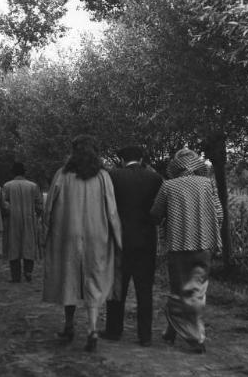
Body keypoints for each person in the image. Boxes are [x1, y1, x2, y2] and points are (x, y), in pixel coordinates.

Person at [42, 135, 122, 353]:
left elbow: (48, 209)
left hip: (67, 235)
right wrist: (119, 240)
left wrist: (45, 236)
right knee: (93, 280)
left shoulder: (62, 174)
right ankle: (92, 329)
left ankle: (69, 326)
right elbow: (112, 211)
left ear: (73, 152)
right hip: (98, 236)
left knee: (70, 278)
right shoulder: (103, 176)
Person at [150, 148, 223, 353]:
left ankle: (196, 337)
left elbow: (156, 214)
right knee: (197, 290)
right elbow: (219, 214)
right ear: (196, 165)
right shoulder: (207, 183)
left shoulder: (169, 186)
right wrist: (210, 233)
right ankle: (172, 331)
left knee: (178, 290)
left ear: (175, 166)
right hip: (204, 245)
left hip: (179, 246)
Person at [101, 145, 163, 347]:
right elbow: (159, 210)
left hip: (119, 239)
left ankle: (113, 330)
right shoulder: (155, 178)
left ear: (121, 159)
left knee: (118, 286)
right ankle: (145, 336)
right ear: (142, 158)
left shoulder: (112, 176)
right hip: (146, 239)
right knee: (144, 289)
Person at [3, 162, 43, 283]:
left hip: (12, 220)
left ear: (13, 172)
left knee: (13, 246)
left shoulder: (7, 186)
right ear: (24, 172)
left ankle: (16, 276)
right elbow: (39, 204)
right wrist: (38, 214)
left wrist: (8, 211)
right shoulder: (33, 186)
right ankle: (28, 271)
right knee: (28, 245)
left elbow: (3, 204)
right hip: (29, 219)